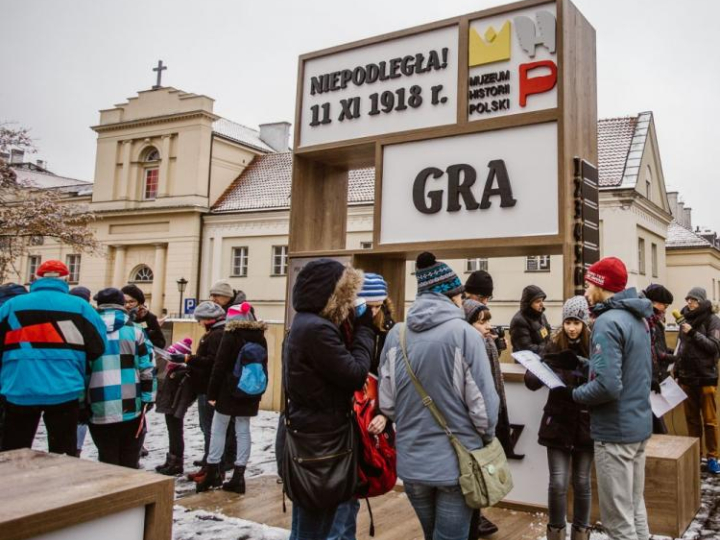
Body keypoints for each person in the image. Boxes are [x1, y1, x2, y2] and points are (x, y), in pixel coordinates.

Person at [379, 252, 499, 540]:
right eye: (458, 295)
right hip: (457, 463)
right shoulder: (466, 335)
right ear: (449, 296)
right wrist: (486, 437)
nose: (462, 300)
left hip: (411, 462)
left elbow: (387, 402)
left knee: (431, 535)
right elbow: (484, 407)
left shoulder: (397, 334)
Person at [283, 259, 375, 540]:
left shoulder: (306, 323)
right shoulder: (317, 329)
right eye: (346, 296)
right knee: (316, 522)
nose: (350, 303)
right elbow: (355, 374)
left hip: (312, 431)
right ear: (332, 295)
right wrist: (365, 330)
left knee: (310, 519)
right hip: (322, 438)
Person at [567, 257, 653, 540]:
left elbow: (607, 387)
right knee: (634, 508)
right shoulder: (638, 319)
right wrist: (587, 364)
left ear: (600, 284)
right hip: (637, 427)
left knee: (617, 522)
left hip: (614, 432)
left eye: (589, 281)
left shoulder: (606, 322)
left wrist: (575, 394)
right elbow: (631, 371)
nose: (586, 288)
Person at [0, 261, 106, 456]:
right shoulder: (81, 307)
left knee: (12, 454)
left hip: (19, 387)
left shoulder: (11, 306)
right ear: (66, 280)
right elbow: (98, 347)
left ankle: (11, 485)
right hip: (64, 388)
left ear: (36, 278)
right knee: (63, 453)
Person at [328, 272, 396, 540]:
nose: (373, 312)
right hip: (342, 419)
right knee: (344, 491)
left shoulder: (387, 330)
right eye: (368, 307)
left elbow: (392, 380)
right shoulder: (340, 328)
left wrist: (385, 414)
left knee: (353, 486)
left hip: (367, 417)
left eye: (378, 306)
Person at [524, 296, 593, 540]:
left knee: (583, 483)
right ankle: (556, 533)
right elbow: (531, 382)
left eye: (576, 322)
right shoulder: (552, 345)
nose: (572, 328)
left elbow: (603, 381)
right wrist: (543, 364)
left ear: (584, 323)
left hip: (586, 424)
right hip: (558, 423)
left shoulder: (595, 347)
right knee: (558, 484)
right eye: (568, 322)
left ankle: (582, 533)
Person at [197, 301, 267, 493]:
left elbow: (219, 366)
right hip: (250, 390)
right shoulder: (260, 336)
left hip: (228, 391)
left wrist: (211, 393)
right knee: (243, 430)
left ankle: (212, 472)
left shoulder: (231, 335)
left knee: (218, 428)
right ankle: (239, 476)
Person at [87, 288, 156, 468]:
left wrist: (81, 402)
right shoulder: (135, 330)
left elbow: (81, 368)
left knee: (107, 458)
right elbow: (147, 367)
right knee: (129, 459)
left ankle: (111, 493)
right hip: (130, 403)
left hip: (97, 402)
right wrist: (148, 398)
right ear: (121, 305)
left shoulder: (89, 329)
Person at [462, 299, 505, 538]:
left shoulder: (486, 344)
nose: (488, 326)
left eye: (488, 320)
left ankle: (476, 519)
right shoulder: (472, 348)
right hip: (473, 427)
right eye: (482, 322)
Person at [676, 286, 720, 474]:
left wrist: (693, 333)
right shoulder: (684, 320)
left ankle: (713, 457)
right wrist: (677, 371)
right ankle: (695, 454)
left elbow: (714, 346)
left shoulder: (713, 320)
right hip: (687, 378)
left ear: (701, 301)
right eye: (688, 299)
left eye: (693, 299)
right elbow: (681, 348)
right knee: (691, 420)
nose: (689, 303)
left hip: (706, 378)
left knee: (710, 421)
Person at [642, 284, 677, 434]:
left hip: (654, 380)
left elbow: (658, 349)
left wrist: (670, 353)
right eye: (665, 305)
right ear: (655, 303)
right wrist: (673, 357)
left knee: (658, 427)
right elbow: (653, 351)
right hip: (650, 382)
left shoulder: (654, 321)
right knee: (658, 430)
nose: (665, 310)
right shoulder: (649, 322)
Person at [510, 285, 552, 355]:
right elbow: (526, 348)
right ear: (528, 303)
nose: (542, 304)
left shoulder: (541, 316)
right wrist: (548, 350)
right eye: (538, 301)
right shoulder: (519, 321)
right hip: (526, 363)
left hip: (542, 359)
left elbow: (548, 335)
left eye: (542, 301)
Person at [122, 284, 166, 349]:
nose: (127, 305)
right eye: (124, 302)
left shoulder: (149, 318)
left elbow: (160, 343)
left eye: (131, 302)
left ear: (140, 303)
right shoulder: (118, 316)